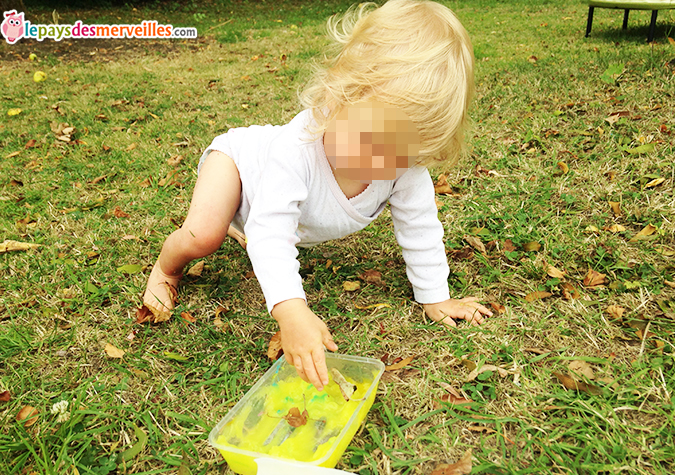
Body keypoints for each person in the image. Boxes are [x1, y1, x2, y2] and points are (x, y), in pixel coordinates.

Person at [143, 0, 492, 391]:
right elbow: (272, 233)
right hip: (238, 167)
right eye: (369, 140)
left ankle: (238, 229)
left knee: (256, 229)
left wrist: (435, 296)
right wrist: (292, 313)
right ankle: (167, 267)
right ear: (336, 97)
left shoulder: (404, 168)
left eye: (400, 152)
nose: (379, 163)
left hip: (267, 204)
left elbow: (421, 226)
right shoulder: (296, 148)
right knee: (205, 234)